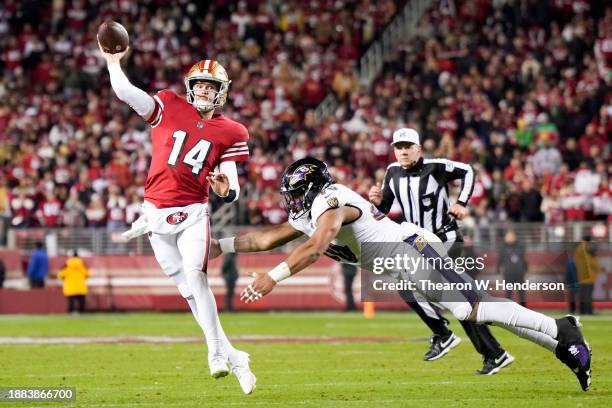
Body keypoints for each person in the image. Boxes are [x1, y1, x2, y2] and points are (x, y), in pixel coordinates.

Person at [211, 157, 591, 391]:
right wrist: (219, 246)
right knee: (476, 309)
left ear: (314, 188)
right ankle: (561, 342)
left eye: (297, 193)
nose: (292, 201)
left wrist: (273, 277)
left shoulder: (332, 201)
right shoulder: (311, 210)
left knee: (472, 308)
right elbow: (265, 238)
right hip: (400, 264)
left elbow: (314, 247)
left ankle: (562, 330)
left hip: (411, 250)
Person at [98, 40, 255, 394]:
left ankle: (216, 352)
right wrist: (112, 61)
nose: (203, 89)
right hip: (154, 212)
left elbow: (233, 186)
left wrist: (223, 188)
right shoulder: (167, 105)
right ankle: (235, 356)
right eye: (199, 84)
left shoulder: (232, 131)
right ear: (189, 87)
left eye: (210, 85)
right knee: (187, 289)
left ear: (221, 92)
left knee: (195, 275)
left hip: (193, 212)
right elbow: (124, 91)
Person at [368, 128, 512, 375]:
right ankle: (494, 354)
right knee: (461, 302)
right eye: (398, 146)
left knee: (407, 282)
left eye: (408, 146)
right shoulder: (392, 172)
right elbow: (387, 206)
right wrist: (377, 201)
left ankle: (442, 333)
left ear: (418, 149)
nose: (402, 150)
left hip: (445, 238)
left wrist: (462, 202)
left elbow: (468, 170)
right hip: (420, 243)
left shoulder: (435, 167)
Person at [497, 230, 528, 306]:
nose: (509, 238)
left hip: (519, 273)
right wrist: (498, 269)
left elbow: (524, 259)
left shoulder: (520, 247)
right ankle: (509, 309)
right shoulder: (503, 248)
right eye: (508, 236)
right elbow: (500, 260)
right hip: (508, 273)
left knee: (521, 292)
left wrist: (525, 270)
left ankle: (523, 308)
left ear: (515, 237)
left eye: (511, 236)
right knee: (508, 292)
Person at [574, 236, 600, 315]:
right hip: (587, 278)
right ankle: (587, 311)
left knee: (585, 295)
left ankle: (585, 311)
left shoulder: (581, 251)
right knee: (586, 296)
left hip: (586, 277)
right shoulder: (584, 251)